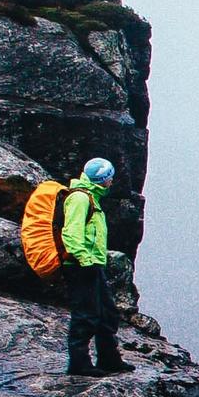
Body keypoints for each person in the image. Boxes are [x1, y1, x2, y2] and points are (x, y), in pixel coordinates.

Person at [60, 157, 129, 376]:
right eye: (110, 178)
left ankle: (109, 358)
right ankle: (79, 363)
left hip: (92, 264)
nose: (112, 182)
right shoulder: (80, 198)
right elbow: (71, 233)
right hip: (80, 265)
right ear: (103, 180)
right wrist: (84, 259)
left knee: (107, 312)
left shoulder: (92, 197)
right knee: (86, 314)